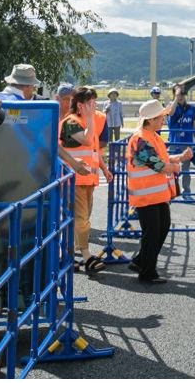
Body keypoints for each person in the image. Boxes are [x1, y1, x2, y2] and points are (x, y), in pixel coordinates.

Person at [126, 100, 193, 284]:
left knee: (160, 228)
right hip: (146, 195)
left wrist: (179, 158)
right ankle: (147, 272)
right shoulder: (140, 138)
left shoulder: (152, 136)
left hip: (155, 194)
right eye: (161, 117)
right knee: (153, 232)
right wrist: (174, 167)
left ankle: (141, 261)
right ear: (151, 119)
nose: (164, 119)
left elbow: (160, 159)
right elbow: (156, 164)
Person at [59, 86, 113, 273]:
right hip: (74, 180)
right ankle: (86, 256)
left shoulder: (86, 122)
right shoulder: (71, 122)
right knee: (81, 220)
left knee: (79, 219)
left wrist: (104, 168)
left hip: (87, 179)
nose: (94, 106)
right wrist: (90, 118)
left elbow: (94, 151)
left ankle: (68, 255)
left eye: (95, 102)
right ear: (80, 105)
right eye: (90, 103)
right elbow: (87, 141)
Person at [165, 84, 195, 200]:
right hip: (174, 142)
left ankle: (187, 192)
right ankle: (171, 192)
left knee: (186, 169)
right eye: (178, 94)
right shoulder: (172, 106)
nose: (180, 96)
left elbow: (194, 125)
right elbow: (170, 113)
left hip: (187, 142)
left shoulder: (191, 108)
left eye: (182, 94)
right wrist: (176, 97)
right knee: (171, 169)